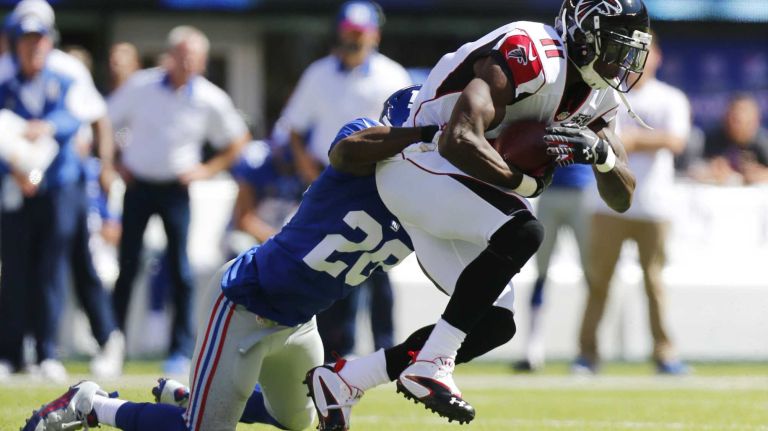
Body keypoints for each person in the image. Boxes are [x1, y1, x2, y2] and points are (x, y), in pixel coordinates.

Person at [20, 89, 448, 431]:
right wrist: (421, 137)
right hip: (247, 304)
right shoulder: (361, 142)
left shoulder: (426, 201)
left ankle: (197, 396)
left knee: (298, 420)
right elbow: (347, 150)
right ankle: (92, 405)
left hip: (301, 321)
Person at [305, 0, 649, 425]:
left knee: (491, 324)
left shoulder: (599, 98)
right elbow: (459, 138)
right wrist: (525, 184)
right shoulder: (533, 54)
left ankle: (345, 379)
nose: (622, 64)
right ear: (584, 34)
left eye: (629, 52)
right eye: (615, 48)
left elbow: (622, 196)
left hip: (457, 187)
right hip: (419, 159)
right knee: (524, 231)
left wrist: (603, 157)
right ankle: (432, 364)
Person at [108, 26, 250, 375]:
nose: (187, 62)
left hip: (176, 190)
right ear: (170, 55)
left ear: (202, 61)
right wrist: (113, 164)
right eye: (182, 55)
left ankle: (181, 349)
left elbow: (237, 140)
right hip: (139, 186)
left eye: (194, 57)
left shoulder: (209, 97)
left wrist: (206, 169)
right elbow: (105, 121)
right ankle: (111, 344)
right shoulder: (141, 85)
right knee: (126, 266)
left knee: (180, 270)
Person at [281, 0, 412, 360]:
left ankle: (386, 347)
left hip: (378, 183)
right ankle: (338, 348)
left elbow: (405, 132)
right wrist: (306, 170)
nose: (354, 40)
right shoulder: (318, 74)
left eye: (360, 33)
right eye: (349, 33)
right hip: (330, 185)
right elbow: (294, 127)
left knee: (379, 267)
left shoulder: (392, 75)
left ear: (374, 35)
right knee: (332, 265)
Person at [573, 33, 691, 375]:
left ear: (658, 57)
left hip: (654, 205)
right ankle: (587, 354)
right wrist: (636, 142)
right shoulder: (606, 93)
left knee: (653, 282)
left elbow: (676, 140)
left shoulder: (671, 98)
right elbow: (593, 137)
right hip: (606, 204)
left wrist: (630, 141)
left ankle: (665, 354)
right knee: (598, 281)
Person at [0, 12, 84, 383]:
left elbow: (72, 120)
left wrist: (46, 127)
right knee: (15, 272)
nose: (33, 46)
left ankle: (48, 350)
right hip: (17, 189)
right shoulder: (5, 85)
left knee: (50, 272)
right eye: (26, 39)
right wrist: (16, 171)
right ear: (16, 44)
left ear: (49, 43)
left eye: (39, 39)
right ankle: (11, 353)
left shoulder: (66, 79)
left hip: (56, 188)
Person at [512, 163, 593, 372]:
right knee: (541, 273)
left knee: (593, 277)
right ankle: (533, 351)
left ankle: (590, 350)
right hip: (550, 190)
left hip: (583, 192)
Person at [693, 94, 768, 185]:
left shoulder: (763, 142)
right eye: (733, 118)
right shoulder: (714, 138)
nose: (736, 125)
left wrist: (760, 174)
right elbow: (695, 169)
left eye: (740, 121)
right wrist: (711, 170)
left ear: (755, 121)